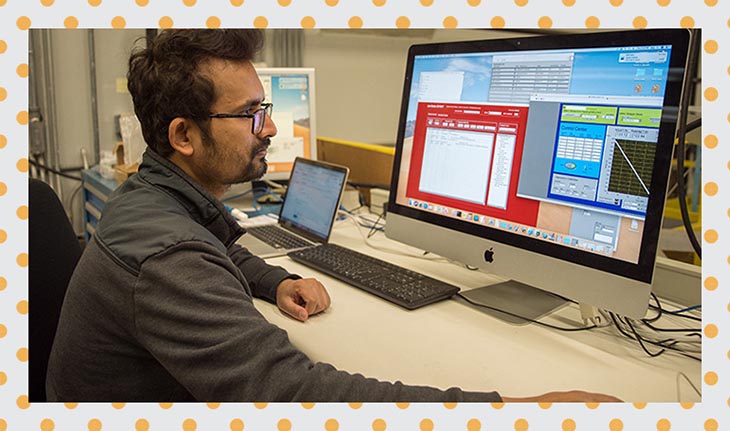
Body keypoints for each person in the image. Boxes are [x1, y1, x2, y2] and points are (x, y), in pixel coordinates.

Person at [46, 29, 619, 402]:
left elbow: (221, 244)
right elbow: (288, 390)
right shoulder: (169, 258)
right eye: (250, 114)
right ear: (184, 135)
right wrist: (517, 408)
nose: (270, 127)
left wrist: (278, 278)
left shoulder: (152, 194)